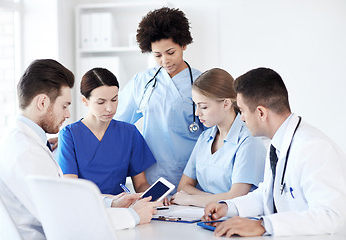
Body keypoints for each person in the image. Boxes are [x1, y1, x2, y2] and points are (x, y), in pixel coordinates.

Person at [0, 59, 161, 240]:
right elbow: (65, 218)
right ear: (42, 102)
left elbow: (66, 202)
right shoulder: (26, 153)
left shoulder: (21, 142)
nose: (68, 114)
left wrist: (112, 202)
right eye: (64, 106)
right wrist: (132, 216)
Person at [203, 67, 346, 237]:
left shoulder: (314, 148)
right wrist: (228, 207)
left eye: (242, 111)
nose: (241, 118)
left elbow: (331, 216)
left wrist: (264, 225)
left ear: (261, 112)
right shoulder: (277, 144)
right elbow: (268, 195)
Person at [114, 7, 204, 193]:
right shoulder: (142, 82)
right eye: (157, 55)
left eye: (170, 52)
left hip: (192, 177)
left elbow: (216, 135)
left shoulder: (202, 83)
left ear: (184, 45)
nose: (165, 61)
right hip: (151, 177)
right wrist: (79, 133)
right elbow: (115, 121)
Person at [170, 68, 266, 207]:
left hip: (238, 220)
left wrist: (191, 199)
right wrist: (215, 199)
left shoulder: (248, 140)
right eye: (196, 106)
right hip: (204, 216)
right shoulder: (205, 137)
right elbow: (183, 187)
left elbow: (236, 197)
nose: (197, 113)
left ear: (226, 104)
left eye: (203, 107)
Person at [56, 68, 156, 195]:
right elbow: (72, 188)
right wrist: (111, 201)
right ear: (85, 101)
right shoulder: (69, 135)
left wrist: (154, 195)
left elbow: (141, 184)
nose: (110, 108)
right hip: (85, 208)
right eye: (101, 102)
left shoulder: (129, 133)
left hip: (121, 210)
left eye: (114, 100)